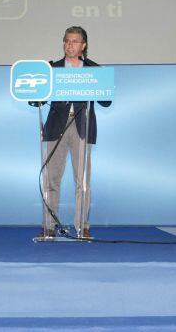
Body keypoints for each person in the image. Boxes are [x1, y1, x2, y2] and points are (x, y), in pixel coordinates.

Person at [37, 26, 111, 239]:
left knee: (83, 182)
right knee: (51, 180)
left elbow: (106, 101)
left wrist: (100, 84)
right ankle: (49, 225)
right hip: (55, 128)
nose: (70, 45)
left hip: (82, 127)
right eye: (67, 41)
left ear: (83, 46)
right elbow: (38, 99)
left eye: (75, 41)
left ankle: (82, 226)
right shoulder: (52, 68)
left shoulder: (94, 70)